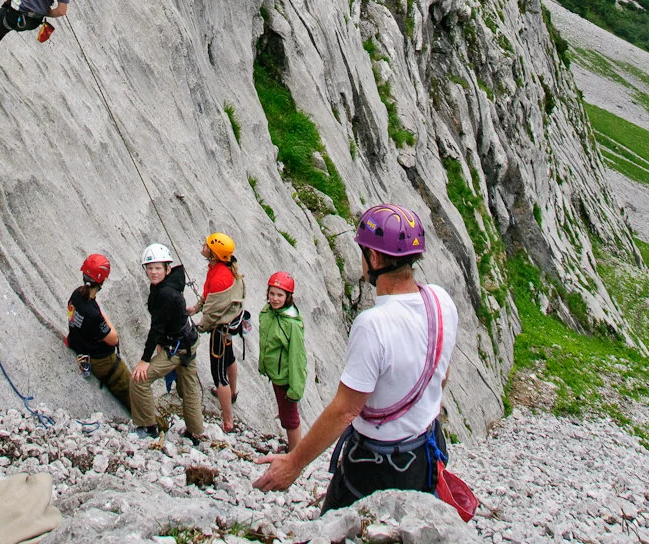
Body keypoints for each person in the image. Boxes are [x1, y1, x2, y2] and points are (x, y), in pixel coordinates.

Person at [255, 203, 457, 513]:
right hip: (426, 452)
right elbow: (440, 376)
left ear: (373, 258)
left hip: (375, 462)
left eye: (362, 252)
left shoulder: (373, 323)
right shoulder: (441, 301)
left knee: (337, 529)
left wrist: (293, 464)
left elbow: (345, 410)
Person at [129, 243, 205, 443]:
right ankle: (195, 433)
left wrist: (146, 360)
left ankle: (148, 426)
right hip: (188, 342)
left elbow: (156, 329)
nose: (153, 272)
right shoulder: (169, 285)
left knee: (139, 380)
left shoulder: (164, 293)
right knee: (189, 389)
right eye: (150, 268)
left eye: (157, 268)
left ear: (167, 268)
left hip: (177, 348)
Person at [189, 231, 245, 433]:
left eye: (206, 246)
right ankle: (233, 392)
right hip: (229, 324)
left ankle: (228, 421)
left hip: (220, 329)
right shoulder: (222, 267)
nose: (203, 247)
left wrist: (199, 326)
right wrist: (196, 308)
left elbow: (212, 312)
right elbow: (208, 296)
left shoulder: (220, 277)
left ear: (213, 254)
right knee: (229, 358)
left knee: (218, 373)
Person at [65, 254, 131, 411]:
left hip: (77, 344)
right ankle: (158, 426)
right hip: (100, 360)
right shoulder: (93, 314)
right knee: (133, 392)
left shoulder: (77, 294)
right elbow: (113, 339)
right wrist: (106, 320)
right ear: (102, 281)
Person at [258, 271, 307, 451]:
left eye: (280, 295)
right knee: (286, 414)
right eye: (272, 294)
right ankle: (293, 449)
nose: (275, 299)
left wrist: (295, 388)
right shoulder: (269, 312)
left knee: (290, 418)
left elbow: (297, 357)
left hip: (286, 377)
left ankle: (295, 456)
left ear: (288, 297)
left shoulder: (291, 323)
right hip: (276, 374)